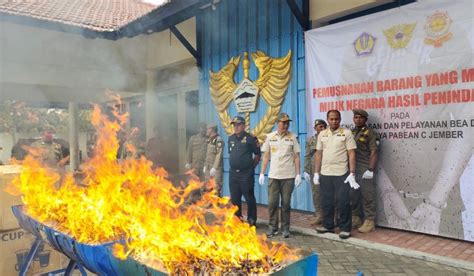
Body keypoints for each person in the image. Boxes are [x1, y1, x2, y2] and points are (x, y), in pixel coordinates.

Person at [314, 110, 359, 239]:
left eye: (336, 119)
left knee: (343, 202)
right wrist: (316, 173)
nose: (334, 121)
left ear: (340, 120)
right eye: (331, 119)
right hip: (325, 173)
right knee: (326, 201)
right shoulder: (322, 134)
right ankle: (328, 226)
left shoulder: (346, 133)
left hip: (341, 173)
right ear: (327, 120)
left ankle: (345, 228)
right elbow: (318, 154)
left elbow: (351, 153)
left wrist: (352, 173)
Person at [259, 113, 301, 238]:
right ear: (278, 123)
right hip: (274, 175)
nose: (286, 125)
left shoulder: (293, 137)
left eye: (287, 122)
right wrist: (262, 172)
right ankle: (272, 227)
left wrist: (298, 174)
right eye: (283, 122)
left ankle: (285, 228)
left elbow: (297, 156)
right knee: (272, 203)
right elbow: (266, 156)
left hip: (288, 176)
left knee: (286, 204)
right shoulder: (270, 137)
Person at [350, 109, 380, 233]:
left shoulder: (371, 133)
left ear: (365, 120)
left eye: (361, 118)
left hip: (365, 168)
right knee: (354, 194)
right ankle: (356, 218)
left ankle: (369, 221)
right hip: (353, 168)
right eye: (356, 117)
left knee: (368, 195)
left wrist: (370, 169)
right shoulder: (351, 132)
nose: (358, 120)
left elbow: (374, 152)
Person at [228, 116, 261, 226]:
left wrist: (251, 168)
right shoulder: (231, 138)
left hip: (246, 174)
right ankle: (237, 219)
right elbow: (232, 154)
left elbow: (257, 155)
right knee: (235, 198)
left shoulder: (251, 138)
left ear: (244, 125)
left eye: (238, 125)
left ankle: (252, 219)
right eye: (234, 125)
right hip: (233, 173)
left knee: (249, 197)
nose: (236, 127)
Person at [304, 119, 327, 226]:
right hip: (314, 170)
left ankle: (332, 216)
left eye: (323, 126)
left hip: (327, 168)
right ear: (315, 128)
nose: (322, 128)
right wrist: (306, 170)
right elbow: (307, 155)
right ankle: (319, 215)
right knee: (316, 193)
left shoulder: (328, 138)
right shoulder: (311, 140)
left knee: (330, 193)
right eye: (319, 126)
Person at [203, 124, 224, 196]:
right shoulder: (209, 140)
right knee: (208, 186)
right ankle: (209, 203)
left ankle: (216, 205)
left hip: (216, 168)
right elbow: (207, 154)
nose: (206, 130)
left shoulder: (218, 140)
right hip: (208, 167)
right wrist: (205, 165)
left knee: (216, 187)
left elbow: (219, 154)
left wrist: (215, 167)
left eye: (208, 129)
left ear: (212, 129)